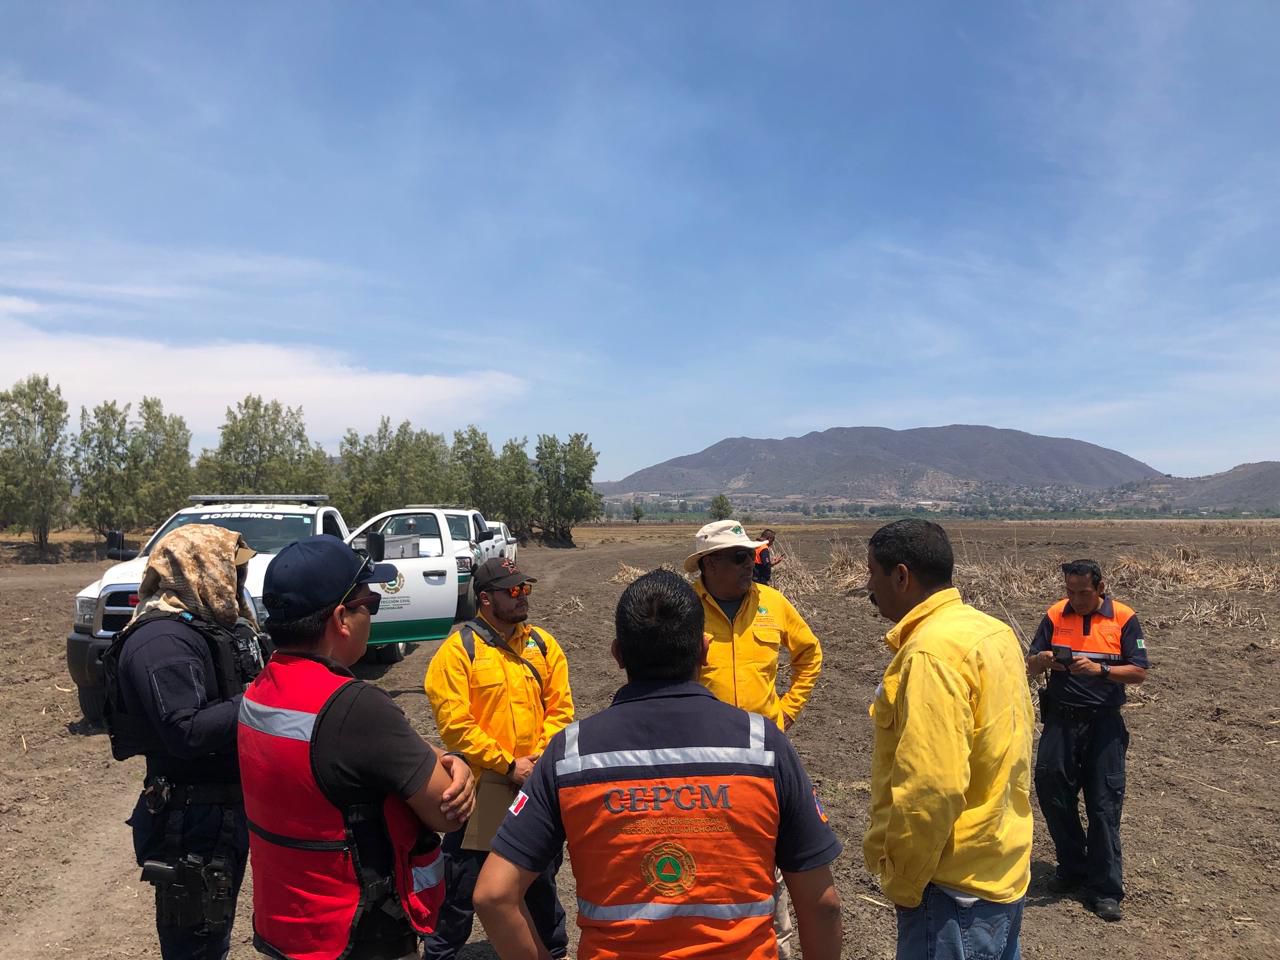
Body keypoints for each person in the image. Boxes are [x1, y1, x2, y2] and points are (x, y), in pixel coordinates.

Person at [473, 569, 844, 960]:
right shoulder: (764, 746)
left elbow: (494, 896)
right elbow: (822, 905)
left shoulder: (570, 754)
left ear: (617, 655)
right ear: (704, 650)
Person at [238, 535, 477, 960]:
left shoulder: (261, 689)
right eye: (371, 603)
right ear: (341, 618)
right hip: (358, 935)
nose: (373, 615)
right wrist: (456, 763)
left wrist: (437, 756)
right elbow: (446, 812)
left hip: (289, 923)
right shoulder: (356, 708)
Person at [863, 519, 1034, 960]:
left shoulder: (929, 653)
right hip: (1000, 867)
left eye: (872, 574)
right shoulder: (991, 631)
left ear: (901, 576)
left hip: (951, 888)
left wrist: (904, 882)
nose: (868, 586)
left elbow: (932, 788)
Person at [104, 524, 264, 960]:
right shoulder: (162, 640)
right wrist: (263, 700)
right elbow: (186, 730)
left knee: (212, 937)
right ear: (198, 569)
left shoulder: (196, 627)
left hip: (215, 813)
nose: (237, 582)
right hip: (191, 821)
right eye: (231, 571)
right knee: (196, 945)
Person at [423, 557, 575, 960]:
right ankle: (439, 954)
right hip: (481, 791)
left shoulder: (543, 645)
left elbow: (561, 710)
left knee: (540, 878)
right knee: (459, 889)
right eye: (513, 591)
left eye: (525, 588)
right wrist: (509, 765)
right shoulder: (458, 653)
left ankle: (552, 951)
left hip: (535, 785)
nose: (522, 596)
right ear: (485, 599)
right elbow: (455, 725)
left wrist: (538, 761)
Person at [685, 518, 823, 958]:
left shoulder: (773, 604)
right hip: (699, 761)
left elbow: (809, 654)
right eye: (741, 557)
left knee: (769, 862)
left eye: (754, 556)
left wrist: (785, 713)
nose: (752, 565)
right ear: (708, 563)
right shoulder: (683, 609)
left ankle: (774, 945)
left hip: (764, 758)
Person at [1026, 559, 1149, 922]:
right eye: (1070, 591)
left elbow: (1139, 670)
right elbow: (1030, 663)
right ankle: (1073, 867)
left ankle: (1105, 889)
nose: (1076, 599)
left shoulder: (1124, 618)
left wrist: (1101, 670)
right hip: (1061, 721)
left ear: (1100, 587)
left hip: (1103, 725)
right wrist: (1043, 660)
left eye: (1083, 592)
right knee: (1052, 792)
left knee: (1103, 805)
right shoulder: (1054, 614)